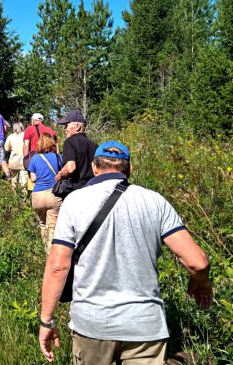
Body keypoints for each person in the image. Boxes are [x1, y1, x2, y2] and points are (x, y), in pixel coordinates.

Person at [39, 140, 213, 364]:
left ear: (94, 168)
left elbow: (57, 266)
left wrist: (47, 321)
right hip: (145, 327)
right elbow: (197, 262)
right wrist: (202, 283)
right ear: (130, 169)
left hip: (93, 324)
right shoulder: (155, 201)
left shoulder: (74, 202)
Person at [28, 133, 63, 254]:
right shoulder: (59, 157)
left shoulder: (35, 159)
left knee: (42, 224)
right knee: (52, 226)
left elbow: (33, 178)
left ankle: (46, 250)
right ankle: (51, 254)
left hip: (38, 195)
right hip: (54, 195)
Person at [55, 110, 98, 195]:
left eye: (67, 125)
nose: (65, 129)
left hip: (76, 192)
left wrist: (59, 176)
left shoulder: (70, 141)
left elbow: (70, 168)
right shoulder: (95, 145)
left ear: (78, 126)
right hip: (93, 190)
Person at [4, 122, 27, 188]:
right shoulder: (26, 135)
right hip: (24, 162)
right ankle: (24, 197)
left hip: (13, 161)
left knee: (13, 180)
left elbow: (6, 148)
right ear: (22, 127)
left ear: (14, 128)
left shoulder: (11, 136)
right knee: (24, 181)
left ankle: (14, 195)